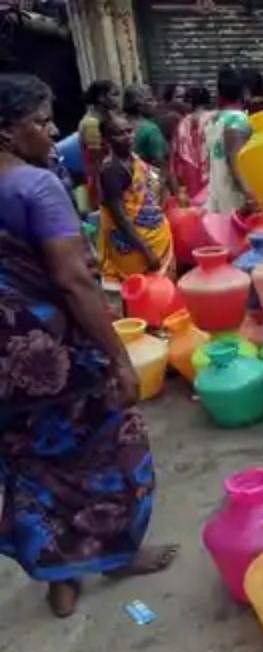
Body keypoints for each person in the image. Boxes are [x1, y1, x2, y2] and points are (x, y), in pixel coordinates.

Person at [0, 74, 177, 619]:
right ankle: (116, 553)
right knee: (116, 448)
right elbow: (74, 280)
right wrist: (119, 358)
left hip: (4, 366)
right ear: (6, 130)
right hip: (57, 355)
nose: (54, 132)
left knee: (28, 462)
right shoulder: (36, 187)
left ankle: (59, 579)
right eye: (40, 121)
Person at [96, 112, 176, 281]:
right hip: (137, 250)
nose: (128, 137)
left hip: (153, 237)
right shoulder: (112, 170)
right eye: (119, 134)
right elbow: (120, 218)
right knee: (146, 291)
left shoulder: (132, 159)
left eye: (129, 131)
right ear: (106, 139)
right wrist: (147, 252)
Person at [205, 65, 253, 216]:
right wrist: (250, 195)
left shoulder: (214, 120)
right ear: (245, 92)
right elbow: (236, 162)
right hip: (236, 199)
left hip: (218, 195)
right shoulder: (239, 119)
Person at [78, 79, 120, 209]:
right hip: (102, 179)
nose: (118, 99)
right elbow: (95, 162)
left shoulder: (109, 116)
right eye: (114, 94)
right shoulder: (91, 123)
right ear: (101, 98)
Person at [170, 85, 214, 203]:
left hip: (190, 185)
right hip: (213, 184)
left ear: (189, 102)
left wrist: (177, 193)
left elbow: (174, 162)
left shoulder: (182, 124)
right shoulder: (215, 119)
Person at [123, 85, 170, 181]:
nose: (155, 103)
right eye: (150, 100)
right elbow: (159, 163)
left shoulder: (116, 124)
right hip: (143, 182)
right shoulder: (151, 129)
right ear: (139, 106)